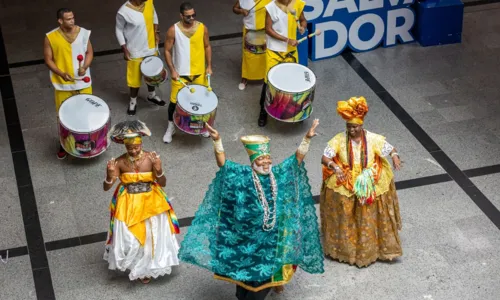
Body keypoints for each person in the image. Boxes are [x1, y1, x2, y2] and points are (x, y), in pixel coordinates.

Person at [178, 120, 324, 299]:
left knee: (261, 285)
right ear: (253, 161)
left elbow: (295, 161)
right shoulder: (243, 176)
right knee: (243, 285)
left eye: (268, 159)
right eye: (261, 159)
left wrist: (307, 138)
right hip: (246, 241)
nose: (265, 163)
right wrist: (217, 141)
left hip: (272, 243)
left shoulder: (277, 174)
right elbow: (224, 165)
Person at [320, 96, 403, 267]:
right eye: (349, 127)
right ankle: (344, 249)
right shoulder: (338, 139)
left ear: (361, 126)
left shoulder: (373, 138)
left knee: (368, 213)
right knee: (346, 213)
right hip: (345, 178)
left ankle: (373, 248)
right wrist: (334, 167)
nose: (351, 130)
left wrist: (394, 157)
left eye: (355, 127)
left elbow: (390, 148)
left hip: (369, 179)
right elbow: (325, 156)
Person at [103, 120, 180, 283]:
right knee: (131, 239)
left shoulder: (151, 158)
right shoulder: (118, 162)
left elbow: (163, 182)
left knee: (153, 236)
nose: (133, 150)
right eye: (129, 148)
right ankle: (136, 265)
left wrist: (158, 169)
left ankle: (148, 268)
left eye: (136, 147)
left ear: (141, 143)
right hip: (128, 204)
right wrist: (110, 176)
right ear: (125, 147)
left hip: (151, 201)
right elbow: (106, 187)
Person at [44, 8, 94, 159]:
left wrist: (84, 66)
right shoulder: (50, 37)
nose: (72, 21)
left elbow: (90, 52)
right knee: (63, 116)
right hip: (62, 84)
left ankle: (85, 142)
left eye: (73, 17)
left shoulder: (84, 33)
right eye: (68, 19)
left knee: (86, 113)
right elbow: (48, 59)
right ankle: (63, 144)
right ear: (60, 21)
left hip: (83, 83)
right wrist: (60, 73)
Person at [163, 2, 213, 143]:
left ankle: (202, 125)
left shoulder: (202, 28)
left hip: (199, 73)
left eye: (193, 15)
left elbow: (207, 46)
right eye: (188, 16)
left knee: (201, 100)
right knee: (174, 102)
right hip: (180, 75)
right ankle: (171, 127)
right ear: (181, 16)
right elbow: (166, 50)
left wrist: (209, 66)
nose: (192, 18)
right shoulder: (173, 30)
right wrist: (172, 70)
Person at [258, 0, 306, 127]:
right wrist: (287, 39)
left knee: (293, 80)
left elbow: (303, 19)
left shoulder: (297, 4)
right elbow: (267, 29)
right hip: (274, 50)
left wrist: (302, 27)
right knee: (268, 81)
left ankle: (296, 111)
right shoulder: (271, 7)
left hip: (290, 51)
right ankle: (263, 111)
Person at [115, 0, 166, 116]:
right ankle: (133, 101)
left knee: (152, 74)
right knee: (134, 79)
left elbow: (154, 16)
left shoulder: (149, 3)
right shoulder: (123, 12)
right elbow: (118, 30)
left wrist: (157, 32)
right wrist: (124, 49)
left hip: (151, 46)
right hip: (135, 50)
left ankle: (151, 95)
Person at [232, 0, 272, 91]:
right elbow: (234, 8)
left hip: (264, 31)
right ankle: (245, 78)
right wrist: (241, 11)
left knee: (265, 56)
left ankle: (266, 77)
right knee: (248, 56)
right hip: (249, 31)